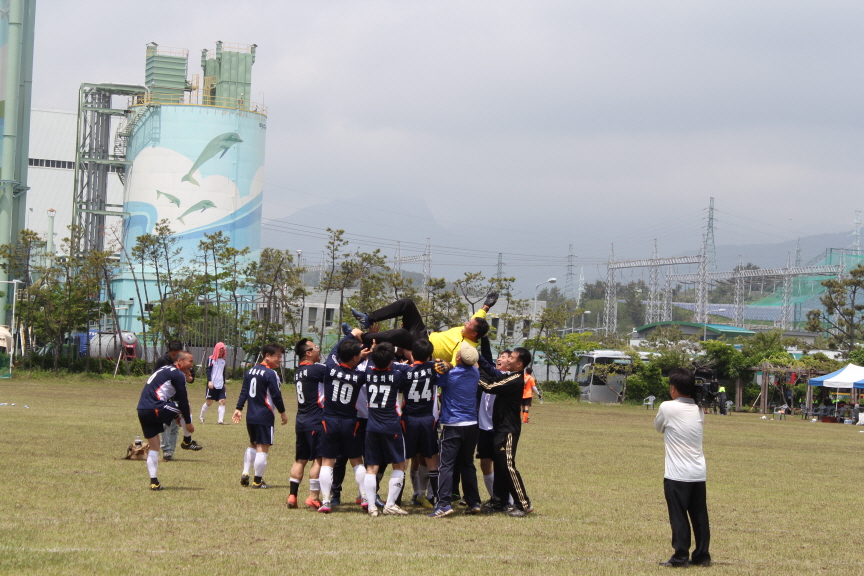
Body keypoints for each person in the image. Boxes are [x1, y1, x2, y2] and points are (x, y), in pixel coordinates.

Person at [654, 367, 711, 568]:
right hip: (698, 472)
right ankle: (702, 555)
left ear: (673, 388)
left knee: (678, 515)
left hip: (677, 474)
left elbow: (658, 427)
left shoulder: (667, 407)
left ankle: (680, 556)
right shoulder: (698, 409)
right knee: (699, 515)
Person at [350, 293, 497, 364]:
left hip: (423, 349)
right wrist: (486, 306)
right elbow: (479, 316)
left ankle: (362, 337)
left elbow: (454, 364)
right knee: (407, 303)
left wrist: (442, 364)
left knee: (400, 334)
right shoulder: (473, 327)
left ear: (474, 333)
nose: (465, 323)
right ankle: (368, 319)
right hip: (424, 334)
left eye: (468, 325)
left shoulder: (466, 347)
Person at [317, 335, 373, 513]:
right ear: (356, 358)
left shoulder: (330, 368)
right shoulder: (359, 376)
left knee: (328, 461)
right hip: (350, 422)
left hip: (330, 420)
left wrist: (349, 335)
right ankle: (364, 497)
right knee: (357, 461)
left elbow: (334, 352)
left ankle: (326, 501)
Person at [477, 347, 534, 517]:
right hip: (500, 429)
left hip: (508, 430)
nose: (508, 360)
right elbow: (492, 376)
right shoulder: (510, 376)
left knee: (508, 466)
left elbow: (489, 386)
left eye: (512, 358)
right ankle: (500, 502)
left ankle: (523, 503)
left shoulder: (516, 379)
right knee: (501, 466)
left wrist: (475, 371)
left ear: (520, 363)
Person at [429, 343, 483, 518]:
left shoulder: (449, 375)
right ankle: (473, 501)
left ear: (458, 358)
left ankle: (443, 503)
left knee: (446, 465)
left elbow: (436, 378)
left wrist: (441, 365)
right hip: (472, 425)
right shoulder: (475, 373)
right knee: (467, 463)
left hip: (453, 425)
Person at [362, 342, 411, 517]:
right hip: (392, 426)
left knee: (372, 467)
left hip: (372, 426)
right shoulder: (397, 376)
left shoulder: (368, 373)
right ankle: (390, 504)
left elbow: (370, 362)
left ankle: (371, 507)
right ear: (391, 360)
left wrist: (373, 350)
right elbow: (409, 371)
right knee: (400, 464)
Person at [135, 351, 196, 490]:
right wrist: (188, 422)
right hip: (155, 407)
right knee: (186, 407)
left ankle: (154, 481)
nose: (191, 365)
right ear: (179, 362)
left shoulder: (165, 369)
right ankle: (187, 440)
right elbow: (182, 400)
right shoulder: (177, 373)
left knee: (155, 447)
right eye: (190, 361)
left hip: (142, 409)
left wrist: (176, 417)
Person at [232, 343, 289, 489]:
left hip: (251, 415)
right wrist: (283, 412)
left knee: (253, 443)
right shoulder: (271, 374)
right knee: (263, 447)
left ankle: (245, 473)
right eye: (278, 356)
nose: (280, 359)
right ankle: (257, 480)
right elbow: (276, 395)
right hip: (265, 415)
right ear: (267, 356)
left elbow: (244, 390)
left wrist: (238, 408)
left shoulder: (250, 371)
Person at [400, 339, 440, 508]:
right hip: (426, 418)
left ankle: (398, 498)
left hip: (408, 418)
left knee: (403, 459)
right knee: (431, 458)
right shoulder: (434, 368)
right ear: (429, 355)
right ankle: (434, 497)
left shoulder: (403, 370)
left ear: (412, 354)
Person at [288, 339, 326, 509]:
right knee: (318, 460)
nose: (318, 350)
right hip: (315, 419)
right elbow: (335, 367)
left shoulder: (298, 371)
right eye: (315, 348)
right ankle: (313, 496)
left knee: (300, 459)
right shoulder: (316, 369)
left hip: (301, 420)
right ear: (308, 353)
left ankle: (292, 496)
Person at [155, 340, 201, 458]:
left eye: (178, 354)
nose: (176, 357)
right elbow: (155, 378)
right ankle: (166, 449)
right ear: (168, 351)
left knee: (175, 426)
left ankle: (171, 452)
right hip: (164, 397)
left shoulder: (185, 361)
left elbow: (191, 379)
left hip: (177, 395)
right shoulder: (162, 361)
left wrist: (188, 378)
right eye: (173, 355)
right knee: (166, 424)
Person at [477, 349, 509, 502]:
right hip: (483, 428)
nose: (500, 359)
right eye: (499, 356)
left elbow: (487, 365)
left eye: (504, 357)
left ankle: (508, 500)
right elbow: (488, 364)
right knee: (484, 464)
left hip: (499, 430)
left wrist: (478, 360)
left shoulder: (508, 378)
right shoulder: (489, 375)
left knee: (502, 466)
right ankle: (495, 499)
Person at [199, 342, 227, 424]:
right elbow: (208, 370)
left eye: (223, 350)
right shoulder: (211, 359)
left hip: (220, 384)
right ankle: (201, 417)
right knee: (209, 402)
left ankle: (220, 420)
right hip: (212, 384)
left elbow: (223, 373)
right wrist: (209, 381)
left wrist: (224, 383)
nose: (221, 352)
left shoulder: (223, 361)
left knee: (222, 401)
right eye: (220, 350)